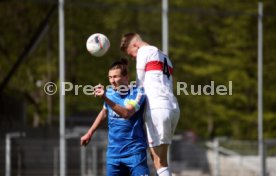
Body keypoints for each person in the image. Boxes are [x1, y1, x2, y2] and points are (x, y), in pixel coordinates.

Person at [120, 33, 180, 176]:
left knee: (159, 162)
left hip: (157, 108)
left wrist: (130, 105)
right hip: (172, 108)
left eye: (131, 54)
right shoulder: (165, 56)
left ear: (135, 45)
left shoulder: (143, 52)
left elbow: (140, 84)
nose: (133, 57)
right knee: (161, 160)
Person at [80, 59, 149, 176]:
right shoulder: (110, 93)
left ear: (126, 77)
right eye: (110, 77)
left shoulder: (138, 92)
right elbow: (104, 112)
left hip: (135, 153)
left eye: (115, 77)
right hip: (113, 155)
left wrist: (105, 98)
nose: (112, 81)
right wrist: (90, 132)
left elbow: (127, 113)